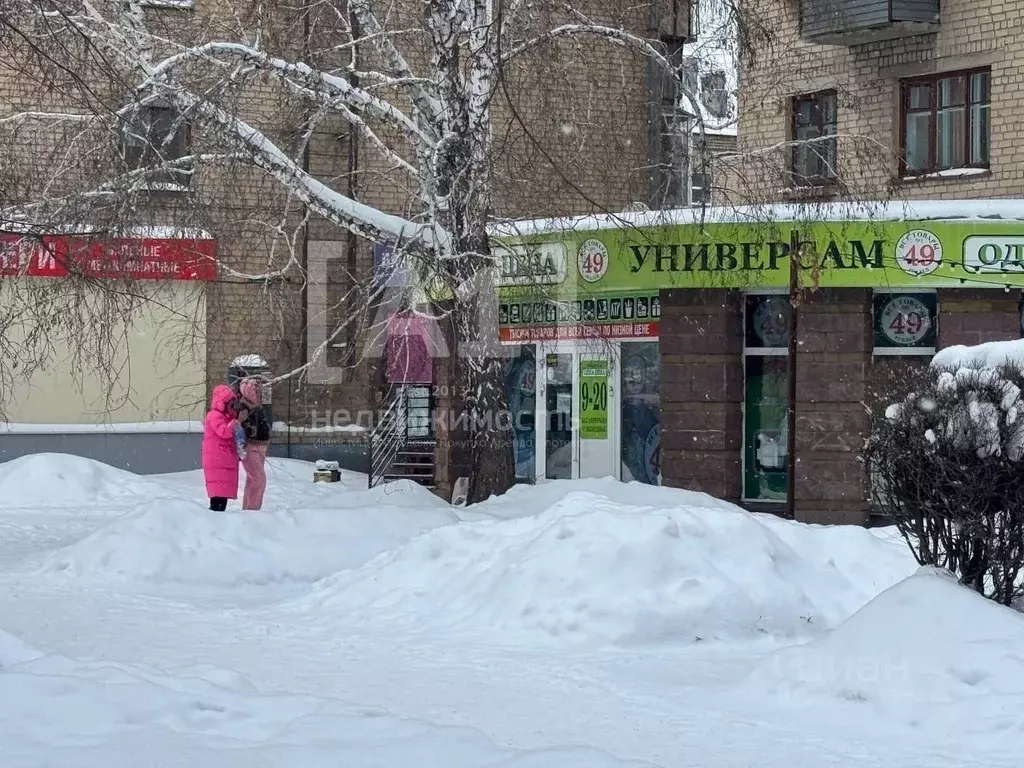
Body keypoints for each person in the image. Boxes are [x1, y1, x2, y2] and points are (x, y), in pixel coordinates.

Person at [202, 384, 244, 511]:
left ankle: (217, 522)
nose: (232, 405)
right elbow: (224, 432)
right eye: (230, 402)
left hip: (223, 460)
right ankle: (214, 522)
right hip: (218, 460)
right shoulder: (214, 416)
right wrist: (235, 423)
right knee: (218, 497)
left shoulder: (226, 417)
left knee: (221, 495)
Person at [237, 377, 271, 511]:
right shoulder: (243, 407)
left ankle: (249, 508)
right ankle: (252, 510)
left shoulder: (257, 406)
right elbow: (239, 428)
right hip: (250, 447)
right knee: (258, 479)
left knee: (253, 479)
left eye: (258, 391)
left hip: (260, 446)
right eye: (254, 391)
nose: (257, 393)